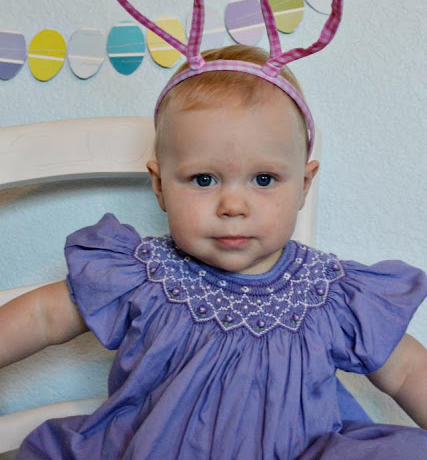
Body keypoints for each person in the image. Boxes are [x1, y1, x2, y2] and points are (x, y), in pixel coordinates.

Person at [0, 43, 426, 459]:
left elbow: (407, 370)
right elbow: (43, 316)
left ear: (303, 186)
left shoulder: (330, 295)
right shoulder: (143, 275)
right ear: (160, 186)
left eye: (264, 179)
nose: (233, 206)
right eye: (203, 180)